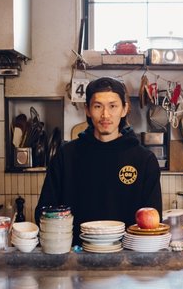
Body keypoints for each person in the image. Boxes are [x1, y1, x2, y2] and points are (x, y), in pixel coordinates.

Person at [36, 77, 162, 245]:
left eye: (113, 106)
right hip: (75, 258)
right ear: (87, 110)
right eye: (97, 106)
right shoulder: (66, 156)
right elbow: (45, 212)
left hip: (127, 260)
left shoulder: (144, 160)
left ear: (124, 109)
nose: (105, 115)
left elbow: (152, 223)